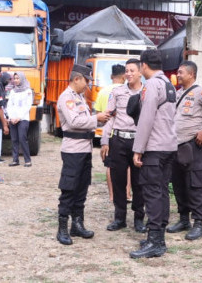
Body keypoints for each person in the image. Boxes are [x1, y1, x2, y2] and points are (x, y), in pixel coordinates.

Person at [166, 61, 202, 240]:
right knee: (178, 184)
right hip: (175, 146)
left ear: (191, 74)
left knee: (195, 184)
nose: (178, 74)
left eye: (181, 72)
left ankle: (199, 223)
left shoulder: (201, 92)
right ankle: (184, 220)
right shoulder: (177, 94)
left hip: (192, 145)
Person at [129, 50, 177, 259]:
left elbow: (146, 118)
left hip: (155, 147)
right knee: (162, 191)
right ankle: (157, 237)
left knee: (152, 193)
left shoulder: (151, 85)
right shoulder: (168, 83)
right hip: (168, 146)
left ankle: (156, 241)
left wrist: (138, 148)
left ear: (143, 65)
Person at [55, 64, 110, 245]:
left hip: (84, 149)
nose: (88, 85)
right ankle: (62, 227)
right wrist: (97, 118)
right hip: (73, 151)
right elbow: (75, 121)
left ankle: (77, 224)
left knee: (82, 188)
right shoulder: (66, 97)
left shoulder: (79, 97)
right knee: (69, 188)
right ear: (77, 79)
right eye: (86, 81)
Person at [100, 59, 146, 233]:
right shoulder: (117, 92)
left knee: (139, 181)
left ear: (140, 72)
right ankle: (119, 217)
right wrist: (105, 141)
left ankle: (139, 218)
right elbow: (109, 116)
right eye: (126, 71)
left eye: (132, 70)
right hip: (118, 140)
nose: (128, 74)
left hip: (138, 141)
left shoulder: (147, 92)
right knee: (118, 180)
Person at [94, 64, 126, 203]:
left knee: (110, 166)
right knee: (128, 166)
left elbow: (99, 116)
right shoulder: (127, 90)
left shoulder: (102, 92)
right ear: (124, 76)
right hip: (124, 133)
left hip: (108, 133)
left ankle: (112, 195)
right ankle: (127, 194)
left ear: (111, 76)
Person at [8, 72, 34, 167]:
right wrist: (11, 117)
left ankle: (27, 160)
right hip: (13, 118)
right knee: (14, 139)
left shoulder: (28, 91)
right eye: (14, 78)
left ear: (22, 78)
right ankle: (15, 160)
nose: (16, 80)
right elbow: (9, 104)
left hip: (23, 118)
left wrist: (19, 117)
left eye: (18, 78)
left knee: (22, 138)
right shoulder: (12, 91)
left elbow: (28, 105)